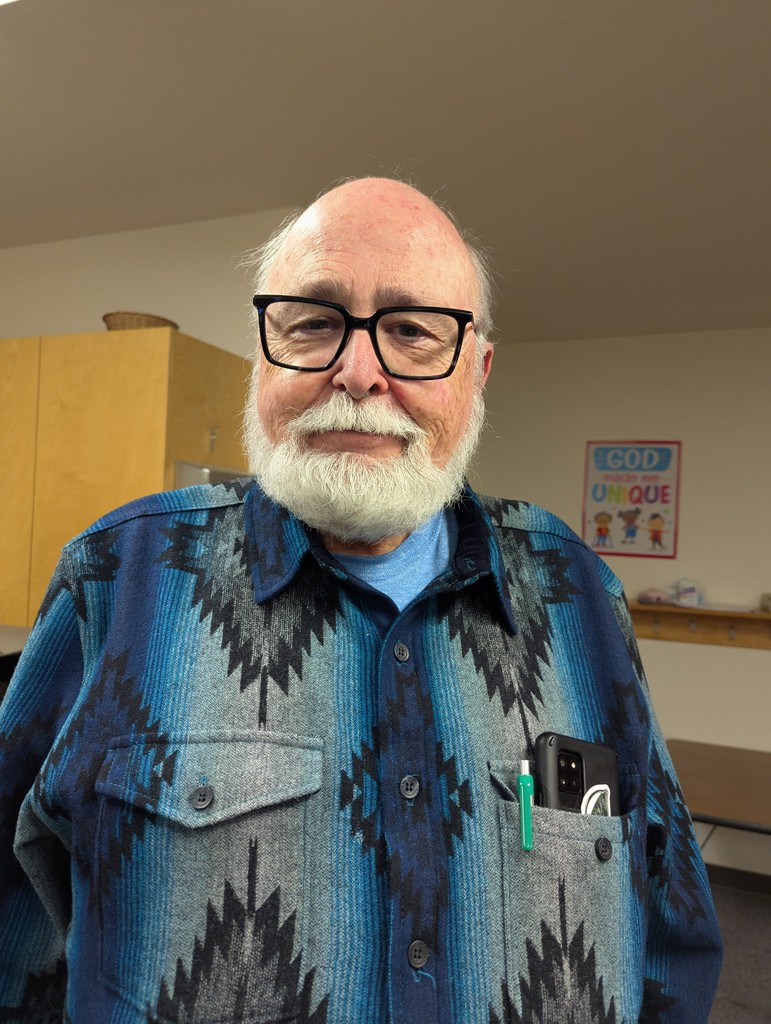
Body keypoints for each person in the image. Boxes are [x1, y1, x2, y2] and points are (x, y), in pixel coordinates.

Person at [0, 177, 721, 1024]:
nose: (356, 372)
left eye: (412, 331)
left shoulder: (579, 595)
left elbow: (667, 920)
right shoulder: (117, 577)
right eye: (313, 322)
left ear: (477, 371)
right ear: (263, 351)